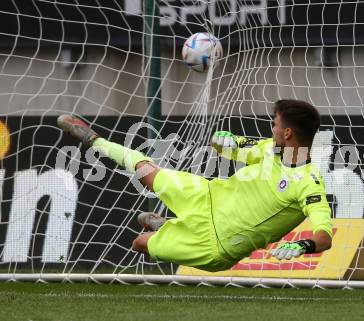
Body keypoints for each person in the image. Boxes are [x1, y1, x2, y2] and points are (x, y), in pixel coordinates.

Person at [57, 99, 332, 272]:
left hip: (216, 242)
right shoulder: (269, 148)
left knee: (139, 243)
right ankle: (96, 141)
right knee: (148, 172)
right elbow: (234, 147)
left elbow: (324, 235)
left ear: (287, 132)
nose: (271, 130)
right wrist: (224, 140)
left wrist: (304, 246)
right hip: (207, 196)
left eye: (275, 125)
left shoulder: (309, 184)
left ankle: (166, 228)